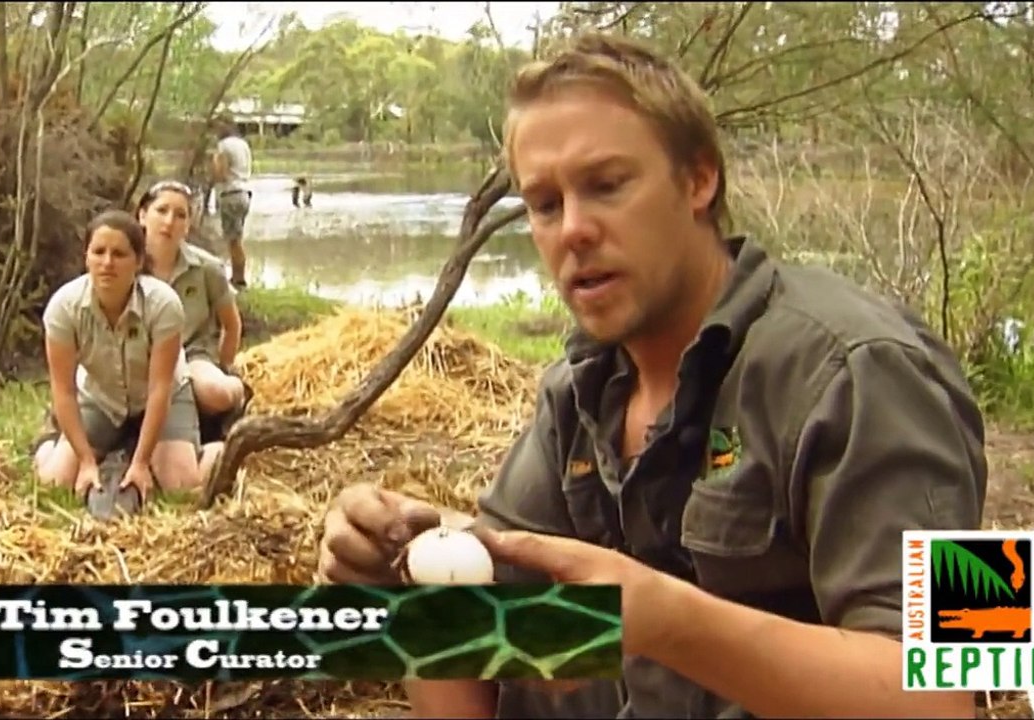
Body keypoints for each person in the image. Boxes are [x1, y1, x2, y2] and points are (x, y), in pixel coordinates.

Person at [316, 33, 988, 720]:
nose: (572, 230)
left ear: (699, 179)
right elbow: (481, 633)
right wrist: (407, 575)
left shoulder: (873, 363)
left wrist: (671, 624)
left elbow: (955, 690)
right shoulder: (575, 389)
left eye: (607, 185)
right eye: (544, 205)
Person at [33, 210, 209, 501]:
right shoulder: (63, 307)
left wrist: (140, 464)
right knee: (55, 482)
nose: (107, 263)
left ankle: (213, 447)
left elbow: (159, 388)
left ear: (138, 261)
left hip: (162, 398)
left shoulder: (163, 304)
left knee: (182, 485)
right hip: (101, 399)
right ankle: (48, 443)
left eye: (119, 254)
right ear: (86, 257)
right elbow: (63, 390)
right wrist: (86, 462)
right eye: (98, 252)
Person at [135, 179, 251, 440]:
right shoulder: (125, 264)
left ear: (188, 226)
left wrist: (223, 366)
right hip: (139, 359)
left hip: (192, 356)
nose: (169, 222)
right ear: (142, 215)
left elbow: (231, 325)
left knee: (214, 393)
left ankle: (240, 391)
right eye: (161, 211)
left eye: (180, 215)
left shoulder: (207, 267)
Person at [211, 117, 254, 289]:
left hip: (230, 193)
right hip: (245, 192)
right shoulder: (243, 144)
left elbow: (220, 172)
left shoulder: (223, 146)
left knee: (233, 240)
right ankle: (238, 277)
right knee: (237, 237)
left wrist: (214, 164)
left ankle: (239, 280)